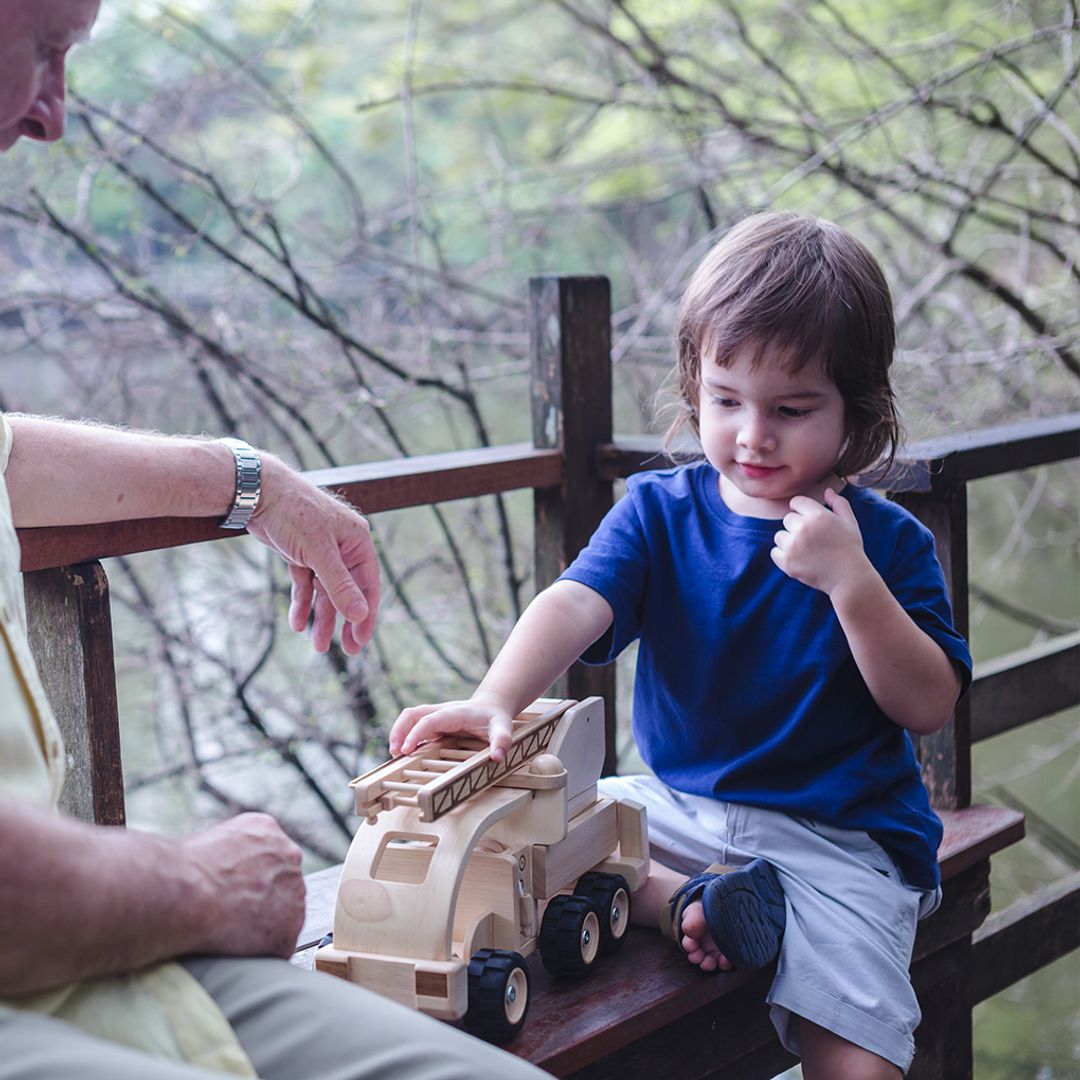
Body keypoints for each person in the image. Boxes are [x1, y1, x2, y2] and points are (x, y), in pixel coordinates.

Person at [0, 3, 546, 1077]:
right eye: (49, 46)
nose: (55, 114)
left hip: (84, 968)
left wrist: (249, 483)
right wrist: (203, 884)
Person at [390, 212, 973, 1079]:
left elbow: (927, 704)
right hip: (677, 809)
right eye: (726, 401)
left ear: (857, 411)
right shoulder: (659, 513)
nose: (752, 435)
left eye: (792, 409)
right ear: (693, 387)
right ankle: (691, 903)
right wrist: (495, 697)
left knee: (857, 1059)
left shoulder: (884, 544)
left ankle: (710, 904)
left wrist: (851, 583)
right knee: (530, 838)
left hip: (840, 839)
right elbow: (576, 601)